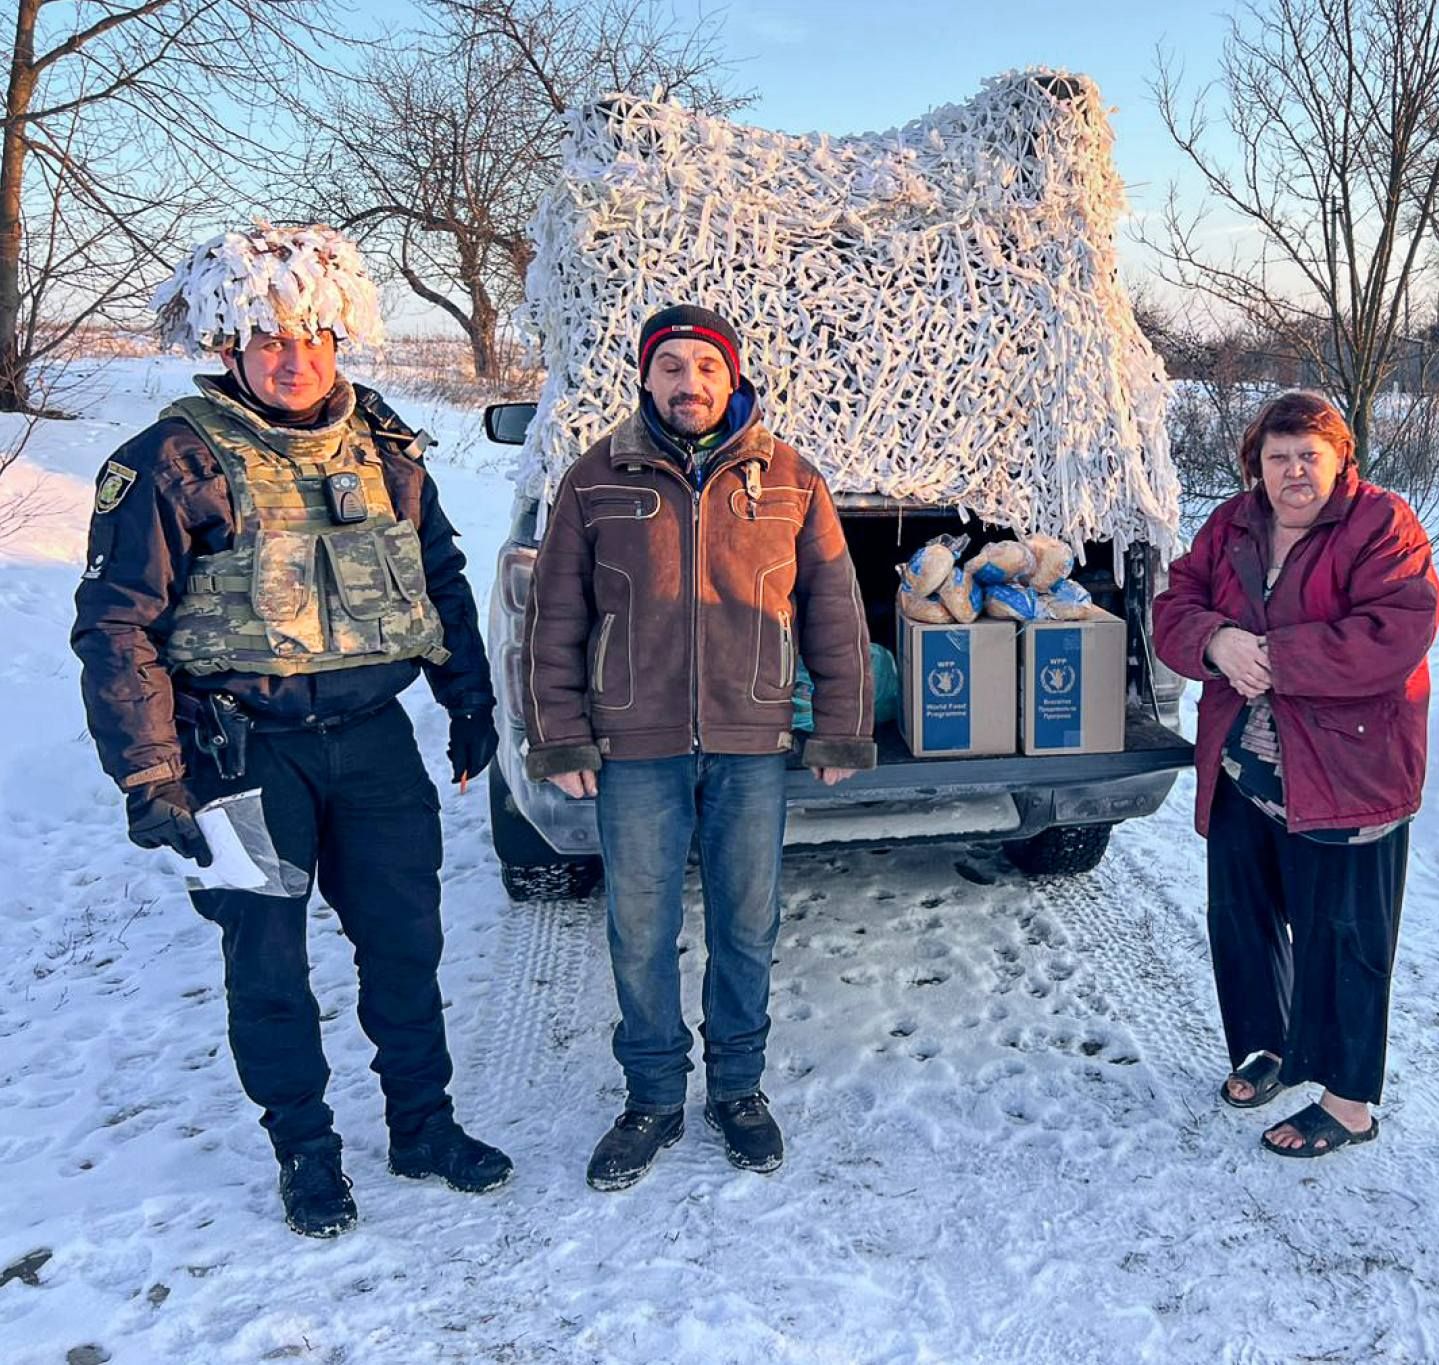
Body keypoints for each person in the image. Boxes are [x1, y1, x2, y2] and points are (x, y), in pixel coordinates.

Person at [70, 223, 512, 1239]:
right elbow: (116, 627)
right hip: (238, 752)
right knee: (266, 964)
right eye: (268, 337)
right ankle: (306, 1155)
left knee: (404, 945)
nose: (292, 356)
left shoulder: (385, 443)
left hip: (371, 742)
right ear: (230, 346)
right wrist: (151, 777)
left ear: (338, 340)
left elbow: (435, 577)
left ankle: (423, 1126)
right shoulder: (170, 463)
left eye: (310, 335)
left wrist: (468, 699)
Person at [522, 304, 875, 1188]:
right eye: (672, 367)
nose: (690, 384)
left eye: (706, 368)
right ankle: (652, 1096)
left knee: (747, 923)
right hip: (636, 745)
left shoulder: (788, 477)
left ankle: (738, 1089)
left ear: (734, 375)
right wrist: (559, 732)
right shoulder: (595, 478)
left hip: (751, 740)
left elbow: (834, 605)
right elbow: (555, 615)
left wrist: (841, 724)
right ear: (646, 378)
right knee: (639, 928)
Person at [1152, 390, 1439, 1159]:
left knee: (1343, 935)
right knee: (1242, 916)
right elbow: (1174, 603)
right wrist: (1215, 642)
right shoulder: (1234, 525)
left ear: (1340, 458)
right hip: (1249, 765)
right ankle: (1267, 1046)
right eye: (1277, 458)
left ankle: (1348, 1102)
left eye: (1308, 456)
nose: (1293, 472)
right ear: (1257, 465)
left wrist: (1275, 658)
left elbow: (1396, 632)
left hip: (1348, 770)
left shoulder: (1382, 525)